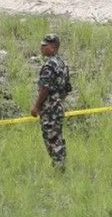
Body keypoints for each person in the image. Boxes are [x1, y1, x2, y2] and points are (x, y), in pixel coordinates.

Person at [31, 33, 71, 168]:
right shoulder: (63, 64)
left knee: (51, 138)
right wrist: (58, 100)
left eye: (45, 45)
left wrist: (37, 106)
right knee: (57, 137)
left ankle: (59, 166)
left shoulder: (49, 65)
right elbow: (67, 88)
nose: (41, 48)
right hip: (58, 106)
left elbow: (45, 88)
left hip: (49, 109)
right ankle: (60, 164)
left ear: (53, 47)